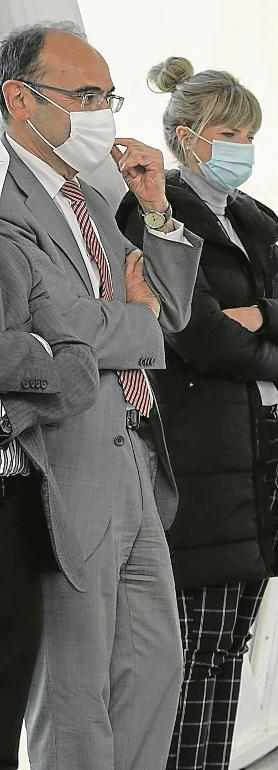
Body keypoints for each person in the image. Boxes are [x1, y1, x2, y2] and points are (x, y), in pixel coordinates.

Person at [116, 57, 278, 770]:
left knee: (224, 656)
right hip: (203, 468)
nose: (243, 145)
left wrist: (265, 315)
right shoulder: (154, 216)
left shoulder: (250, 224)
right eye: (229, 131)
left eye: (249, 132)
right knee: (191, 659)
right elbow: (199, 338)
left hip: (263, 465)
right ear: (184, 136)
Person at [0, 21, 203, 770]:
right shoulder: (9, 208)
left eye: (107, 95)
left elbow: (169, 314)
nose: (102, 112)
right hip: (68, 474)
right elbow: (67, 330)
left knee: (154, 675)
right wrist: (131, 314)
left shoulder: (88, 197)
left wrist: (154, 213)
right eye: (83, 95)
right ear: (19, 99)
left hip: (138, 467)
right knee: (75, 704)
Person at [0, 208, 99, 770]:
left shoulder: (12, 250)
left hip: (15, 510)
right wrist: (34, 348)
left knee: (7, 704)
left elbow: (80, 363)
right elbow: (53, 355)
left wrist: (8, 416)